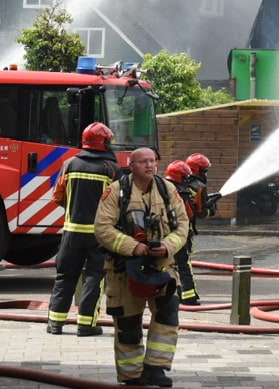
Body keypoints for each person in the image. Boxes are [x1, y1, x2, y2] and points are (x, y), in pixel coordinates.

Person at [95, 147, 190, 387]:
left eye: (153, 161)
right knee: (128, 324)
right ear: (131, 164)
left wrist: (167, 246)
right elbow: (103, 228)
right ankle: (132, 375)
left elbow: (182, 226)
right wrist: (132, 246)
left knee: (168, 315)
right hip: (125, 268)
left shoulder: (168, 190)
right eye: (143, 161)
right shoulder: (117, 192)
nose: (150, 165)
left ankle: (156, 369)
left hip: (162, 266)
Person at [46, 122, 121, 336]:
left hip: (71, 232)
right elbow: (120, 203)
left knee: (65, 276)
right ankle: (86, 325)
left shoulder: (69, 164)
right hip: (99, 234)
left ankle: (55, 323)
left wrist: (73, 208)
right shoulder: (112, 169)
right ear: (104, 142)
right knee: (95, 277)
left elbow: (57, 197)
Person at [164, 160, 202, 306]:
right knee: (183, 264)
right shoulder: (183, 193)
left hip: (163, 234)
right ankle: (188, 296)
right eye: (186, 177)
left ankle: (166, 294)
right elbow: (189, 215)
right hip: (180, 233)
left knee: (165, 264)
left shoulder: (161, 188)